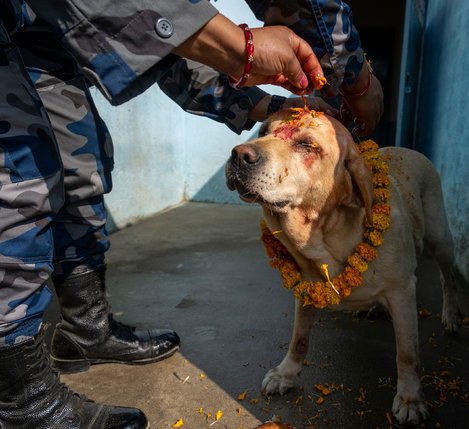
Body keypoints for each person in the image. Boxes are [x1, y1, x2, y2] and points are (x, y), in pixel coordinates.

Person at [0, 1, 383, 428]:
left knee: (80, 168)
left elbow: (166, 51)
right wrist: (249, 49)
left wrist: (266, 100)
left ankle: (85, 330)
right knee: (19, 177)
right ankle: (21, 398)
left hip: (44, 42)